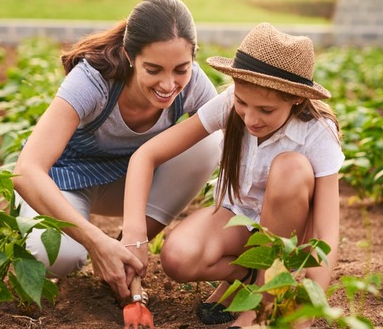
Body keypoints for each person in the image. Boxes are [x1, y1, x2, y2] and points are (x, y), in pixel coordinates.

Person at [122, 22, 344, 327]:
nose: (251, 118)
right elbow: (147, 154)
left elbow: (324, 233)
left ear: (296, 99)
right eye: (242, 102)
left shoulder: (317, 133)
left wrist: (308, 307)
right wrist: (134, 233)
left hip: (285, 238)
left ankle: (266, 303)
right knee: (178, 257)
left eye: (266, 111)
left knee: (290, 167)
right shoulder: (227, 105)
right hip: (238, 220)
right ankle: (250, 277)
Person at [12, 0, 222, 301]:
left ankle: (128, 255)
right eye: (153, 70)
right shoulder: (93, 81)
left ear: (193, 57)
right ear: (129, 56)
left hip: (130, 185)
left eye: (181, 68)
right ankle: (51, 223)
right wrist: (96, 241)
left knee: (211, 139)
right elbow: (26, 170)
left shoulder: (193, 84)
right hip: (68, 182)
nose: (168, 84)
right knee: (58, 257)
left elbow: (237, 147)